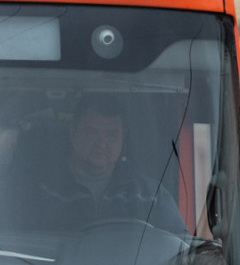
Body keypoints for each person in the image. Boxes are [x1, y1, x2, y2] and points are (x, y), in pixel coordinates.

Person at [30, 93, 185, 234]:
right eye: (92, 132)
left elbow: (180, 250)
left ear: (123, 139)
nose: (102, 143)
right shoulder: (40, 191)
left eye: (112, 134)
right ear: (73, 132)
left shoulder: (151, 195)